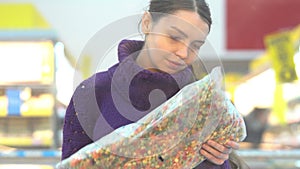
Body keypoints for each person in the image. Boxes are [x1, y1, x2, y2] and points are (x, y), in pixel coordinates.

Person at [61, 0, 241, 168]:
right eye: (174, 37)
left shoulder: (204, 103)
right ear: (147, 23)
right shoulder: (93, 93)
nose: (184, 52)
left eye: (196, 45)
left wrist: (219, 159)